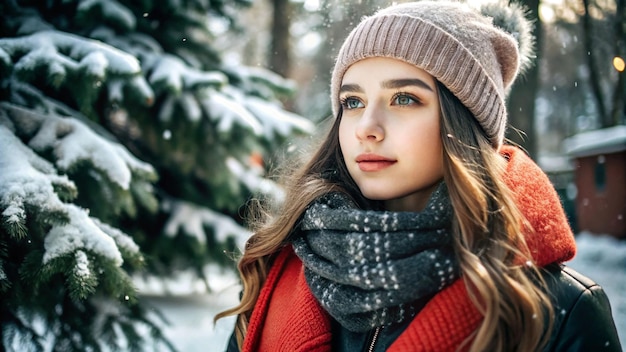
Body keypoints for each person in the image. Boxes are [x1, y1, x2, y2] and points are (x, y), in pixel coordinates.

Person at [216, 1, 623, 351]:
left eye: (404, 98)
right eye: (352, 101)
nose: (366, 127)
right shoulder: (275, 272)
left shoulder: (559, 311)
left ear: (464, 123)